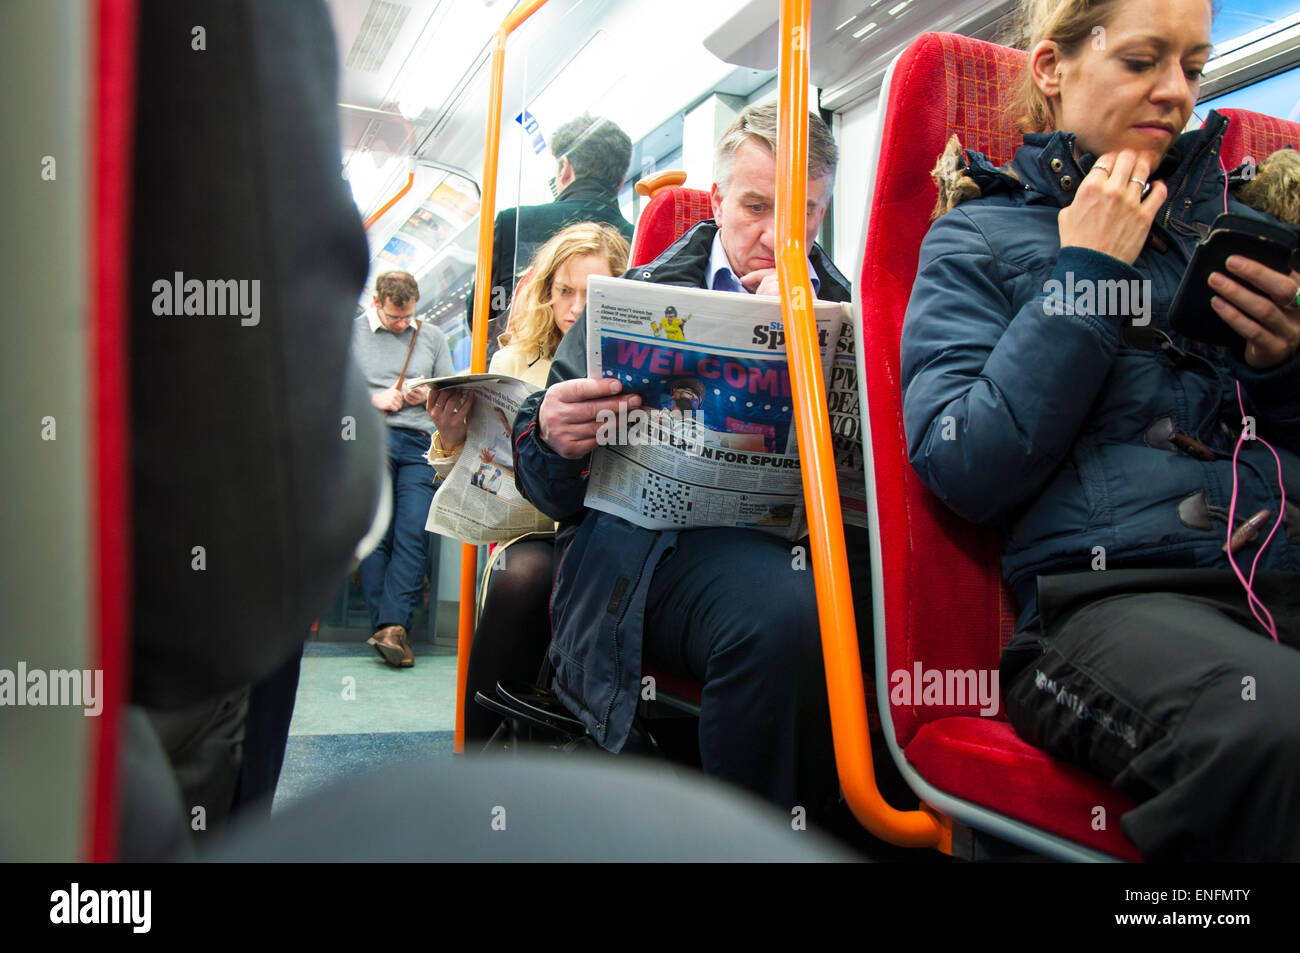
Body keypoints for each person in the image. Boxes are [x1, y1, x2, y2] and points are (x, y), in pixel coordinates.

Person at [902, 0, 1300, 860]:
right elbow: (961, 460)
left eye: (1193, 68)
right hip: (1101, 608)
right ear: (1051, 68)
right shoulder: (975, 236)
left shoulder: (1227, 228)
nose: (1176, 94)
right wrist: (1084, 274)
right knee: (1273, 728)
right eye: (1141, 61)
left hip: (1273, 570)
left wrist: (1284, 367)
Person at [511, 102, 859, 820]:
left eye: (806, 216)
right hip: (648, 557)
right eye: (756, 207)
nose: (776, 237)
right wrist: (549, 435)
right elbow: (550, 491)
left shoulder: (850, 313)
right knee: (781, 617)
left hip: (787, 545)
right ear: (718, 198)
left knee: (849, 609)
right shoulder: (634, 295)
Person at [426, 222, 630, 744]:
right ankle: (478, 750)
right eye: (565, 291)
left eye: (593, 293)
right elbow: (484, 475)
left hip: (609, 530)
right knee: (526, 575)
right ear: (547, 293)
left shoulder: (636, 364)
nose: (575, 306)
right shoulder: (515, 362)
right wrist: (452, 437)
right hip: (535, 527)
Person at [469, 114, 635, 361]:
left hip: (519, 373)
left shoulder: (513, 222)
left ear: (564, 168)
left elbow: (479, 315)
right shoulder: (638, 239)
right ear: (621, 180)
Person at [352, 270, 454, 668]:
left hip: (418, 443)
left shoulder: (429, 336)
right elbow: (333, 387)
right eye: (395, 317)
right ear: (377, 304)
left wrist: (425, 391)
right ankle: (392, 627)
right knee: (376, 532)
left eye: (408, 317)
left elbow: (448, 386)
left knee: (413, 530)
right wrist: (373, 398)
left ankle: (389, 629)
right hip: (370, 436)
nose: (402, 325)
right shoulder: (352, 332)